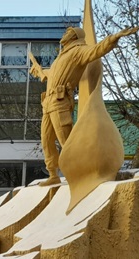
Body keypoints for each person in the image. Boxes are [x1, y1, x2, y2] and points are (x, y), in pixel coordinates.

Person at [28, 25, 139, 186]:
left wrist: (114, 37)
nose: (64, 34)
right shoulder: (61, 57)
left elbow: (97, 50)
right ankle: (53, 174)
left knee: (67, 141)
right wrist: (39, 70)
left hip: (60, 102)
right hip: (47, 104)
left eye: (68, 32)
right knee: (46, 140)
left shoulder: (79, 50)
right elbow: (51, 74)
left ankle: (83, 173)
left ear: (74, 36)